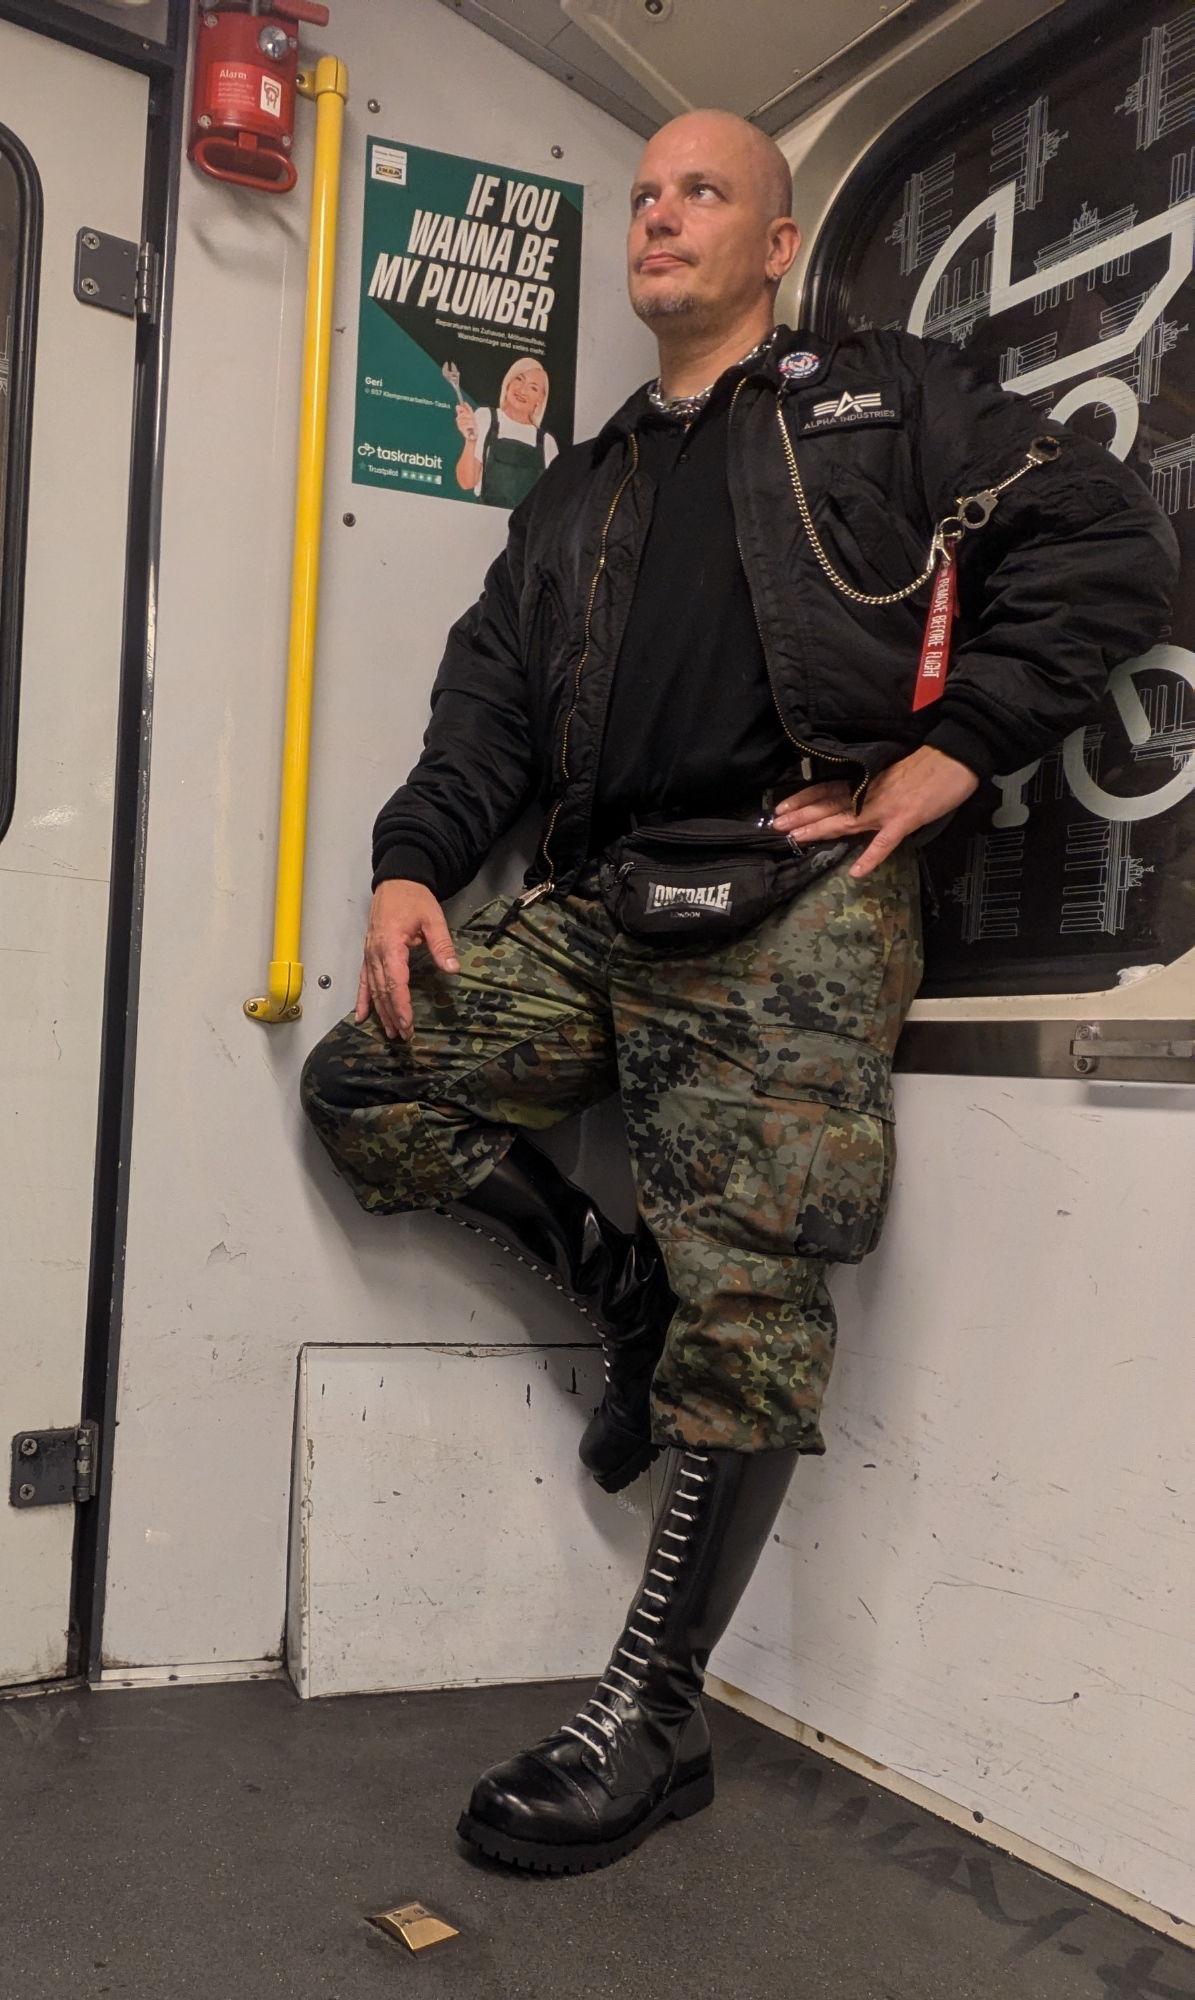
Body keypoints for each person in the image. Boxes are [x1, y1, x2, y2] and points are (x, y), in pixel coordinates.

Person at [302, 109, 1176, 1875]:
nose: (658, 217)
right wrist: (409, 860)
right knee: (366, 1082)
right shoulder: (578, 489)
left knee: (752, 1302)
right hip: (602, 900)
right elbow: (484, 707)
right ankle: (615, 1283)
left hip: (796, 897)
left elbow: (1103, 543)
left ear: (777, 245)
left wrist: (956, 746)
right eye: (641, 195)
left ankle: (653, 1715)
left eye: (700, 191)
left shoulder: (888, 399)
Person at [454, 354, 557, 508]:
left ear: (540, 399)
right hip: (485, 517)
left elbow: (551, 500)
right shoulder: (486, 417)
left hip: (525, 522)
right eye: (519, 379)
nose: (523, 390)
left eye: (533, 388)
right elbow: (466, 482)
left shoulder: (547, 442)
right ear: (509, 382)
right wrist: (471, 441)